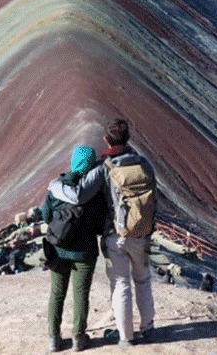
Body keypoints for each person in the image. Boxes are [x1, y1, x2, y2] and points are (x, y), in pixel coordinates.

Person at [49, 119, 156, 347]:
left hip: (115, 235)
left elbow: (79, 195)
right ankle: (148, 328)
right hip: (142, 233)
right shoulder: (144, 164)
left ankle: (125, 337)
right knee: (143, 280)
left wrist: (54, 186)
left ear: (106, 139)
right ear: (128, 138)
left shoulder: (104, 168)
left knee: (120, 283)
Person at [42, 146, 106, 352]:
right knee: (81, 294)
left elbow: (46, 217)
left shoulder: (57, 187)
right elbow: (100, 224)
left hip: (58, 249)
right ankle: (78, 339)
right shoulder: (94, 191)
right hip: (85, 252)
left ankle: (54, 339)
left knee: (57, 292)